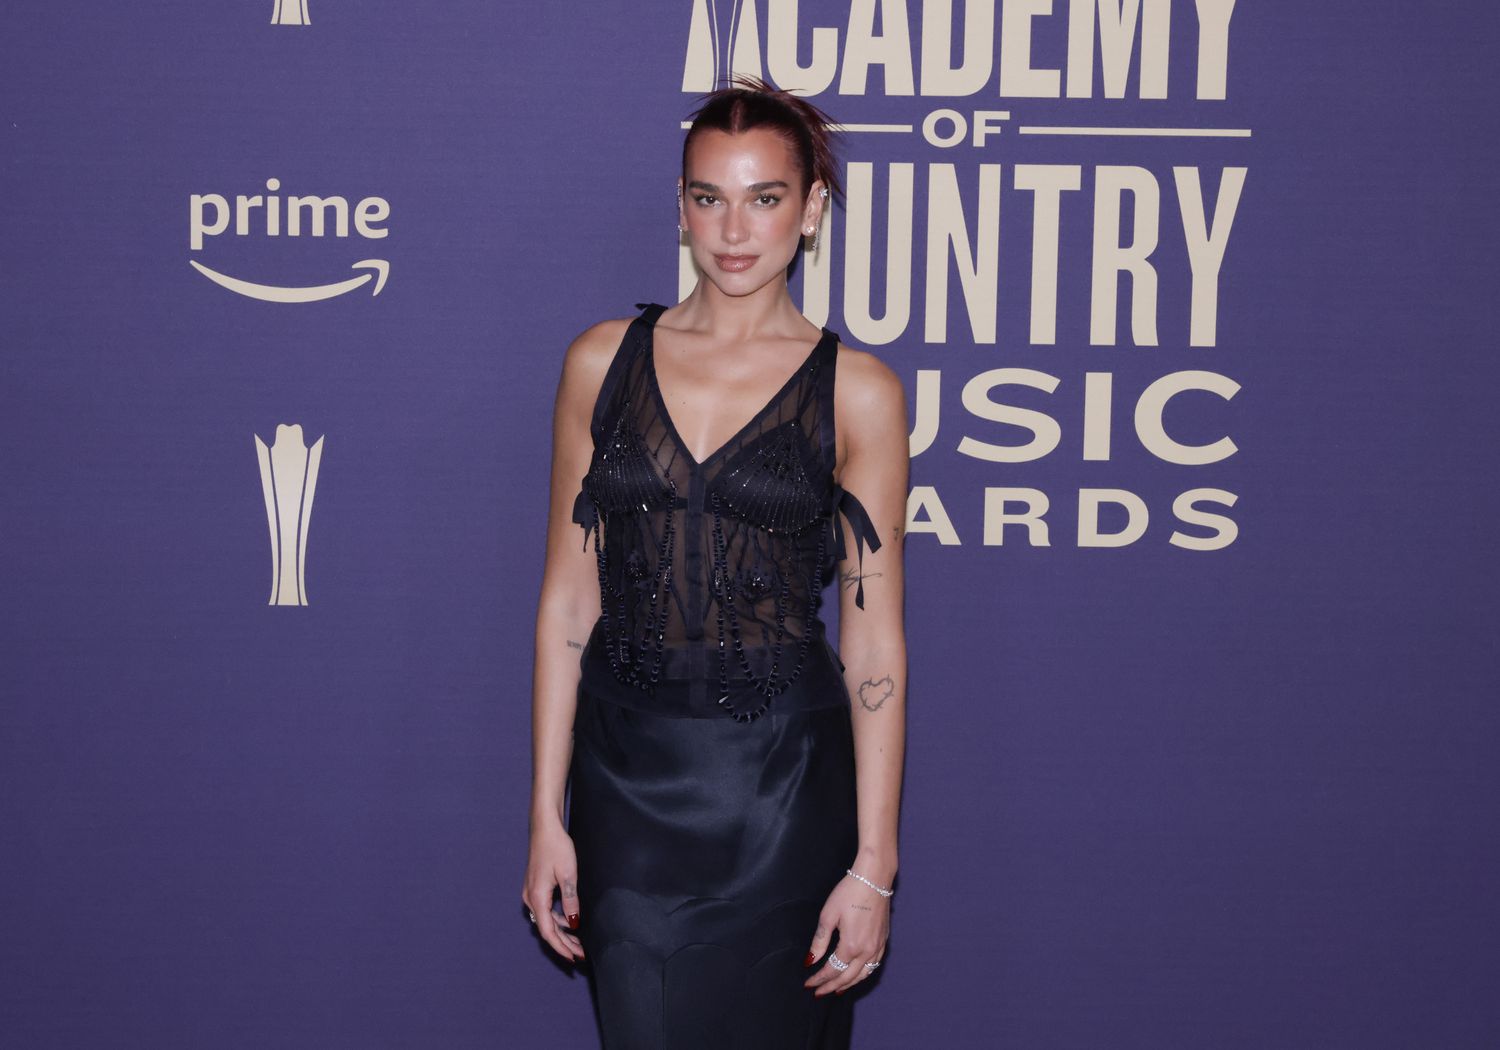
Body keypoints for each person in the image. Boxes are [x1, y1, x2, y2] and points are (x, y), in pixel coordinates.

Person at [522, 76, 909, 1049]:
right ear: (683, 205)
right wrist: (545, 811)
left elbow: (873, 641)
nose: (734, 229)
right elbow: (569, 600)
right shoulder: (599, 362)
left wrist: (873, 863)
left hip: (783, 790)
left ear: (812, 208)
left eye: (765, 198)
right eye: (709, 197)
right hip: (628, 788)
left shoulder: (858, 390)